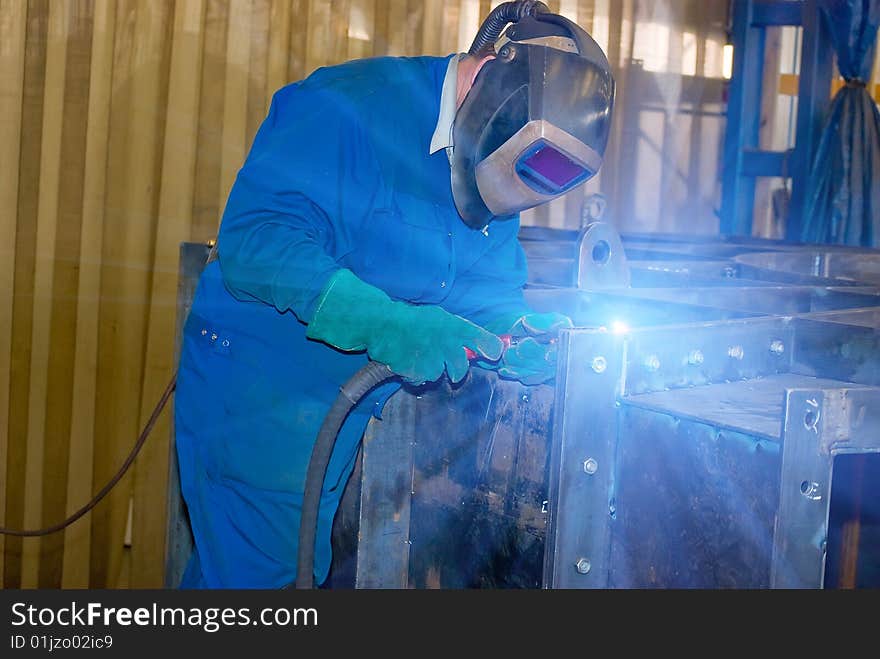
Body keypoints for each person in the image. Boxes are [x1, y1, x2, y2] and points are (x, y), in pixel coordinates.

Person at [174, 0, 614, 588]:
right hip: (259, 393)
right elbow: (258, 238)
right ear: (483, 83)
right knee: (262, 584)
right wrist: (388, 324)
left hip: (346, 404)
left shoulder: (502, 159)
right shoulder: (346, 106)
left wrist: (515, 331)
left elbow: (483, 284)